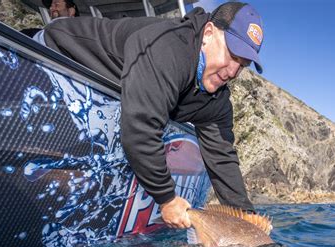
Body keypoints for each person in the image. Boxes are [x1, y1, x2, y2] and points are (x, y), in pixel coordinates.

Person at [42, 2, 264, 229]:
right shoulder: (169, 47)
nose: (232, 72)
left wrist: (247, 221)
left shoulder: (218, 99)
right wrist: (167, 198)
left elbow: (222, 158)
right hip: (52, 54)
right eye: (232, 55)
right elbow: (141, 129)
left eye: (242, 65)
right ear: (208, 33)